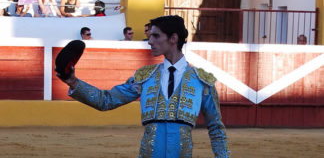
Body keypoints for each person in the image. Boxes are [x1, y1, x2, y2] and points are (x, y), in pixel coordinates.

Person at [56, 15, 230, 157]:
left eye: (155, 36)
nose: (149, 41)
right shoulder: (145, 77)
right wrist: (72, 81)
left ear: (173, 38)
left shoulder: (202, 81)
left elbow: (216, 128)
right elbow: (106, 101)